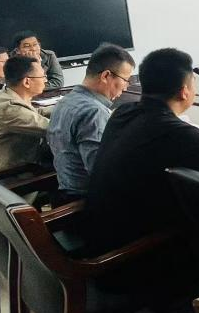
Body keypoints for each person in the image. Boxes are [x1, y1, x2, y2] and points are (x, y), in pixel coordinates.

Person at [86, 48, 199, 254]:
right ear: (184, 91)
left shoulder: (123, 112)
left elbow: (159, 150)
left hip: (99, 233)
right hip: (132, 252)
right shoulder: (173, 131)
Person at [46, 45, 135, 202]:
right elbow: (102, 173)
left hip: (65, 191)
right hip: (87, 202)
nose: (126, 86)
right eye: (126, 80)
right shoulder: (93, 112)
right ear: (106, 76)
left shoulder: (65, 101)